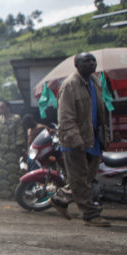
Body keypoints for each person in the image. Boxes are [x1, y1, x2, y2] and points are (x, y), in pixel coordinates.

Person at [51, 52, 111, 227]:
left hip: (93, 139)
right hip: (75, 141)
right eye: (86, 61)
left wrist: (104, 134)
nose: (91, 63)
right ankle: (90, 215)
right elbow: (66, 118)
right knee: (80, 179)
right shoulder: (69, 85)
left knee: (85, 178)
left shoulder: (95, 81)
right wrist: (76, 141)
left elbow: (100, 112)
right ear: (76, 65)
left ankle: (60, 199)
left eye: (93, 60)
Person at [0, 101, 25, 200]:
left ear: (8, 108)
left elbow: (20, 134)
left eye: (3, 108)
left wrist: (19, 148)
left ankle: (15, 195)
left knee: (13, 174)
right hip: (1, 152)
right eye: (0, 108)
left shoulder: (16, 119)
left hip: (13, 152)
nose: (1, 110)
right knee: (0, 173)